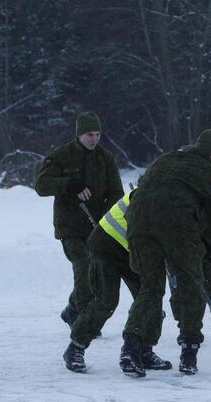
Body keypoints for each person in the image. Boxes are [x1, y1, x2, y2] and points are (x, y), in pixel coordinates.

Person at [123, 129, 211, 375]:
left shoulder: (166, 159)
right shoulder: (209, 174)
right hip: (176, 226)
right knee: (191, 285)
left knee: (150, 287)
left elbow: (145, 187)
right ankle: (189, 353)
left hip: (138, 221)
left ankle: (130, 349)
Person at [61, 189, 172, 377]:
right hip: (107, 245)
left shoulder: (180, 200)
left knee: (151, 297)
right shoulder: (158, 194)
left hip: (135, 250)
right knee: (106, 301)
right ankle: (75, 348)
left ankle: (145, 350)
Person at [35, 112, 124, 328]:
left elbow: (116, 192)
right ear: (79, 134)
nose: (94, 139)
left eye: (97, 134)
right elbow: (42, 185)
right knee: (84, 267)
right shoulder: (61, 156)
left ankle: (73, 310)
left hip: (98, 227)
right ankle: (83, 320)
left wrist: (105, 213)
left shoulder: (106, 158)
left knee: (97, 273)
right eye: (89, 134)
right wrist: (68, 185)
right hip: (70, 227)